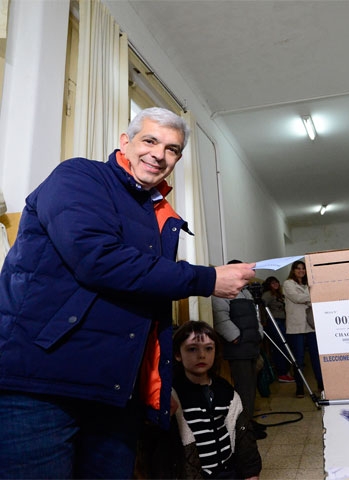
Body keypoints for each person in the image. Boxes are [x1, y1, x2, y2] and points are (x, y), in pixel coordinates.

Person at [0, 107, 256, 479]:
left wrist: (156, 383)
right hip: (40, 384)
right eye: (150, 140)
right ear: (125, 142)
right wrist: (207, 279)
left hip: (116, 394)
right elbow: (97, 259)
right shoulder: (80, 176)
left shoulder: (159, 213)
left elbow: (148, 312)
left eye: (172, 149)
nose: (159, 154)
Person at [170, 321, 261, 479]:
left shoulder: (225, 390)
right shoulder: (172, 395)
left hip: (227, 471)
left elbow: (242, 433)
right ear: (178, 354)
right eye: (192, 349)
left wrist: (251, 472)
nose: (201, 355)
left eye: (208, 348)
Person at [213, 260, 266, 440]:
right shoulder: (223, 291)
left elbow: (255, 317)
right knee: (244, 388)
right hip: (238, 348)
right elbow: (220, 317)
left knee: (251, 387)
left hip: (251, 345)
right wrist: (235, 337)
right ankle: (243, 428)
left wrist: (259, 334)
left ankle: (248, 421)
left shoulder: (246, 292)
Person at [283, 260, 323, 398]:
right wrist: (313, 297)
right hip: (296, 326)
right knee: (298, 359)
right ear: (293, 270)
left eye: (303, 269)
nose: (301, 271)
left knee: (316, 357)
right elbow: (296, 298)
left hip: (311, 326)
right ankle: (299, 387)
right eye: (298, 268)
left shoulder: (308, 285)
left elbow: (305, 298)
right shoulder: (288, 284)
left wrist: (308, 298)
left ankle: (321, 384)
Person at [261, 276, 294, 383]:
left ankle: (285, 371)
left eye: (277, 282)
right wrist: (264, 321)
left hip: (282, 321)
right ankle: (282, 373)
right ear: (268, 285)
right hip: (274, 322)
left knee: (284, 346)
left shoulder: (279, 294)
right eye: (272, 283)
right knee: (280, 347)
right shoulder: (268, 294)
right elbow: (262, 306)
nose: (275, 284)